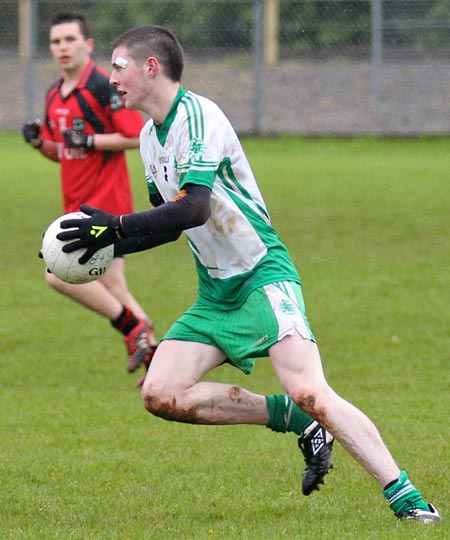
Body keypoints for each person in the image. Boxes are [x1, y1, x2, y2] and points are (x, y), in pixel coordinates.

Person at [57, 25, 441, 522]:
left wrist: (116, 226)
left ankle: (409, 500)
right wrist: (104, 240)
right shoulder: (151, 136)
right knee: (161, 392)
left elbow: (193, 209)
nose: (112, 78)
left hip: (263, 276)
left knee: (312, 389)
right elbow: (168, 225)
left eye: (118, 66)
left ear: (150, 67)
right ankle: (290, 417)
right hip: (217, 293)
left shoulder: (200, 117)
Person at [22, 13, 157, 385]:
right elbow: (61, 151)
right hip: (74, 203)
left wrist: (92, 141)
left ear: (88, 45)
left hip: (106, 203)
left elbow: (134, 135)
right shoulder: (53, 94)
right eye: (56, 41)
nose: (63, 47)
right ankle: (158, 363)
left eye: (70, 39)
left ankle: (134, 330)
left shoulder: (103, 87)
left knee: (56, 273)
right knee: (114, 289)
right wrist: (39, 142)